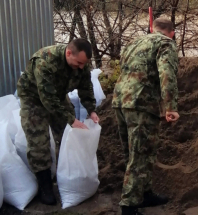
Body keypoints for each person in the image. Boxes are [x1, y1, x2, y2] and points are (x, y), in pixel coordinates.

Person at [16, 38, 100, 205]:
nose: (81, 67)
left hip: (59, 97)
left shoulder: (81, 63)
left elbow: (86, 87)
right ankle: (45, 185)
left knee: (69, 135)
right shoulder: (45, 61)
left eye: (84, 64)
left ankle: (67, 173)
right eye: (78, 63)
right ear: (69, 53)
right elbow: (46, 98)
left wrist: (91, 110)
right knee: (38, 141)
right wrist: (71, 119)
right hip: (34, 98)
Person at [112, 17, 180, 215]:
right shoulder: (166, 43)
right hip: (141, 104)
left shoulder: (134, 43)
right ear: (172, 33)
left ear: (152, 28)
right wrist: (170, 106)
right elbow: (167, 72)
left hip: (120, 102)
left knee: (134, 154)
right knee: (140, 155)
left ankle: (144, 193)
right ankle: (129, 206)